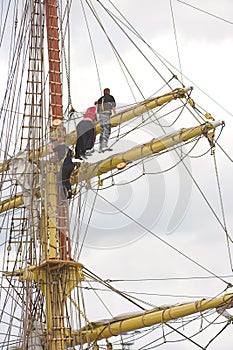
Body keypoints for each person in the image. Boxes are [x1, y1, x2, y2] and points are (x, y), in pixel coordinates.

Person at [97, 88, 116, 152]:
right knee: (107, 130)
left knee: (102, 131)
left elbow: (98, 109)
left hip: (101, 115)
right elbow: (113, 106)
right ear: (109, 92)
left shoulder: (100, 99)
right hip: (106, 114)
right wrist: (115, 113)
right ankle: (104, 146)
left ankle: (101, 146)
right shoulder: (110, 97)